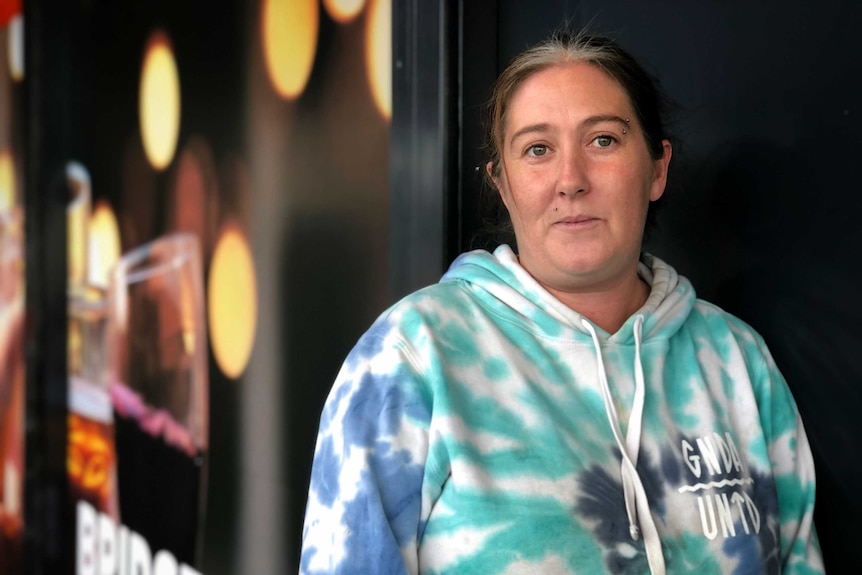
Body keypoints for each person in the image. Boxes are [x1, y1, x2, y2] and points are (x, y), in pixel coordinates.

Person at [299, 30, 824, 575]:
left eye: (602, 140)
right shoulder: (412, 356)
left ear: (658, 168)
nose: (570, 181)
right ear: (503, 185)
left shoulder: (737, 360)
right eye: (537, 149)